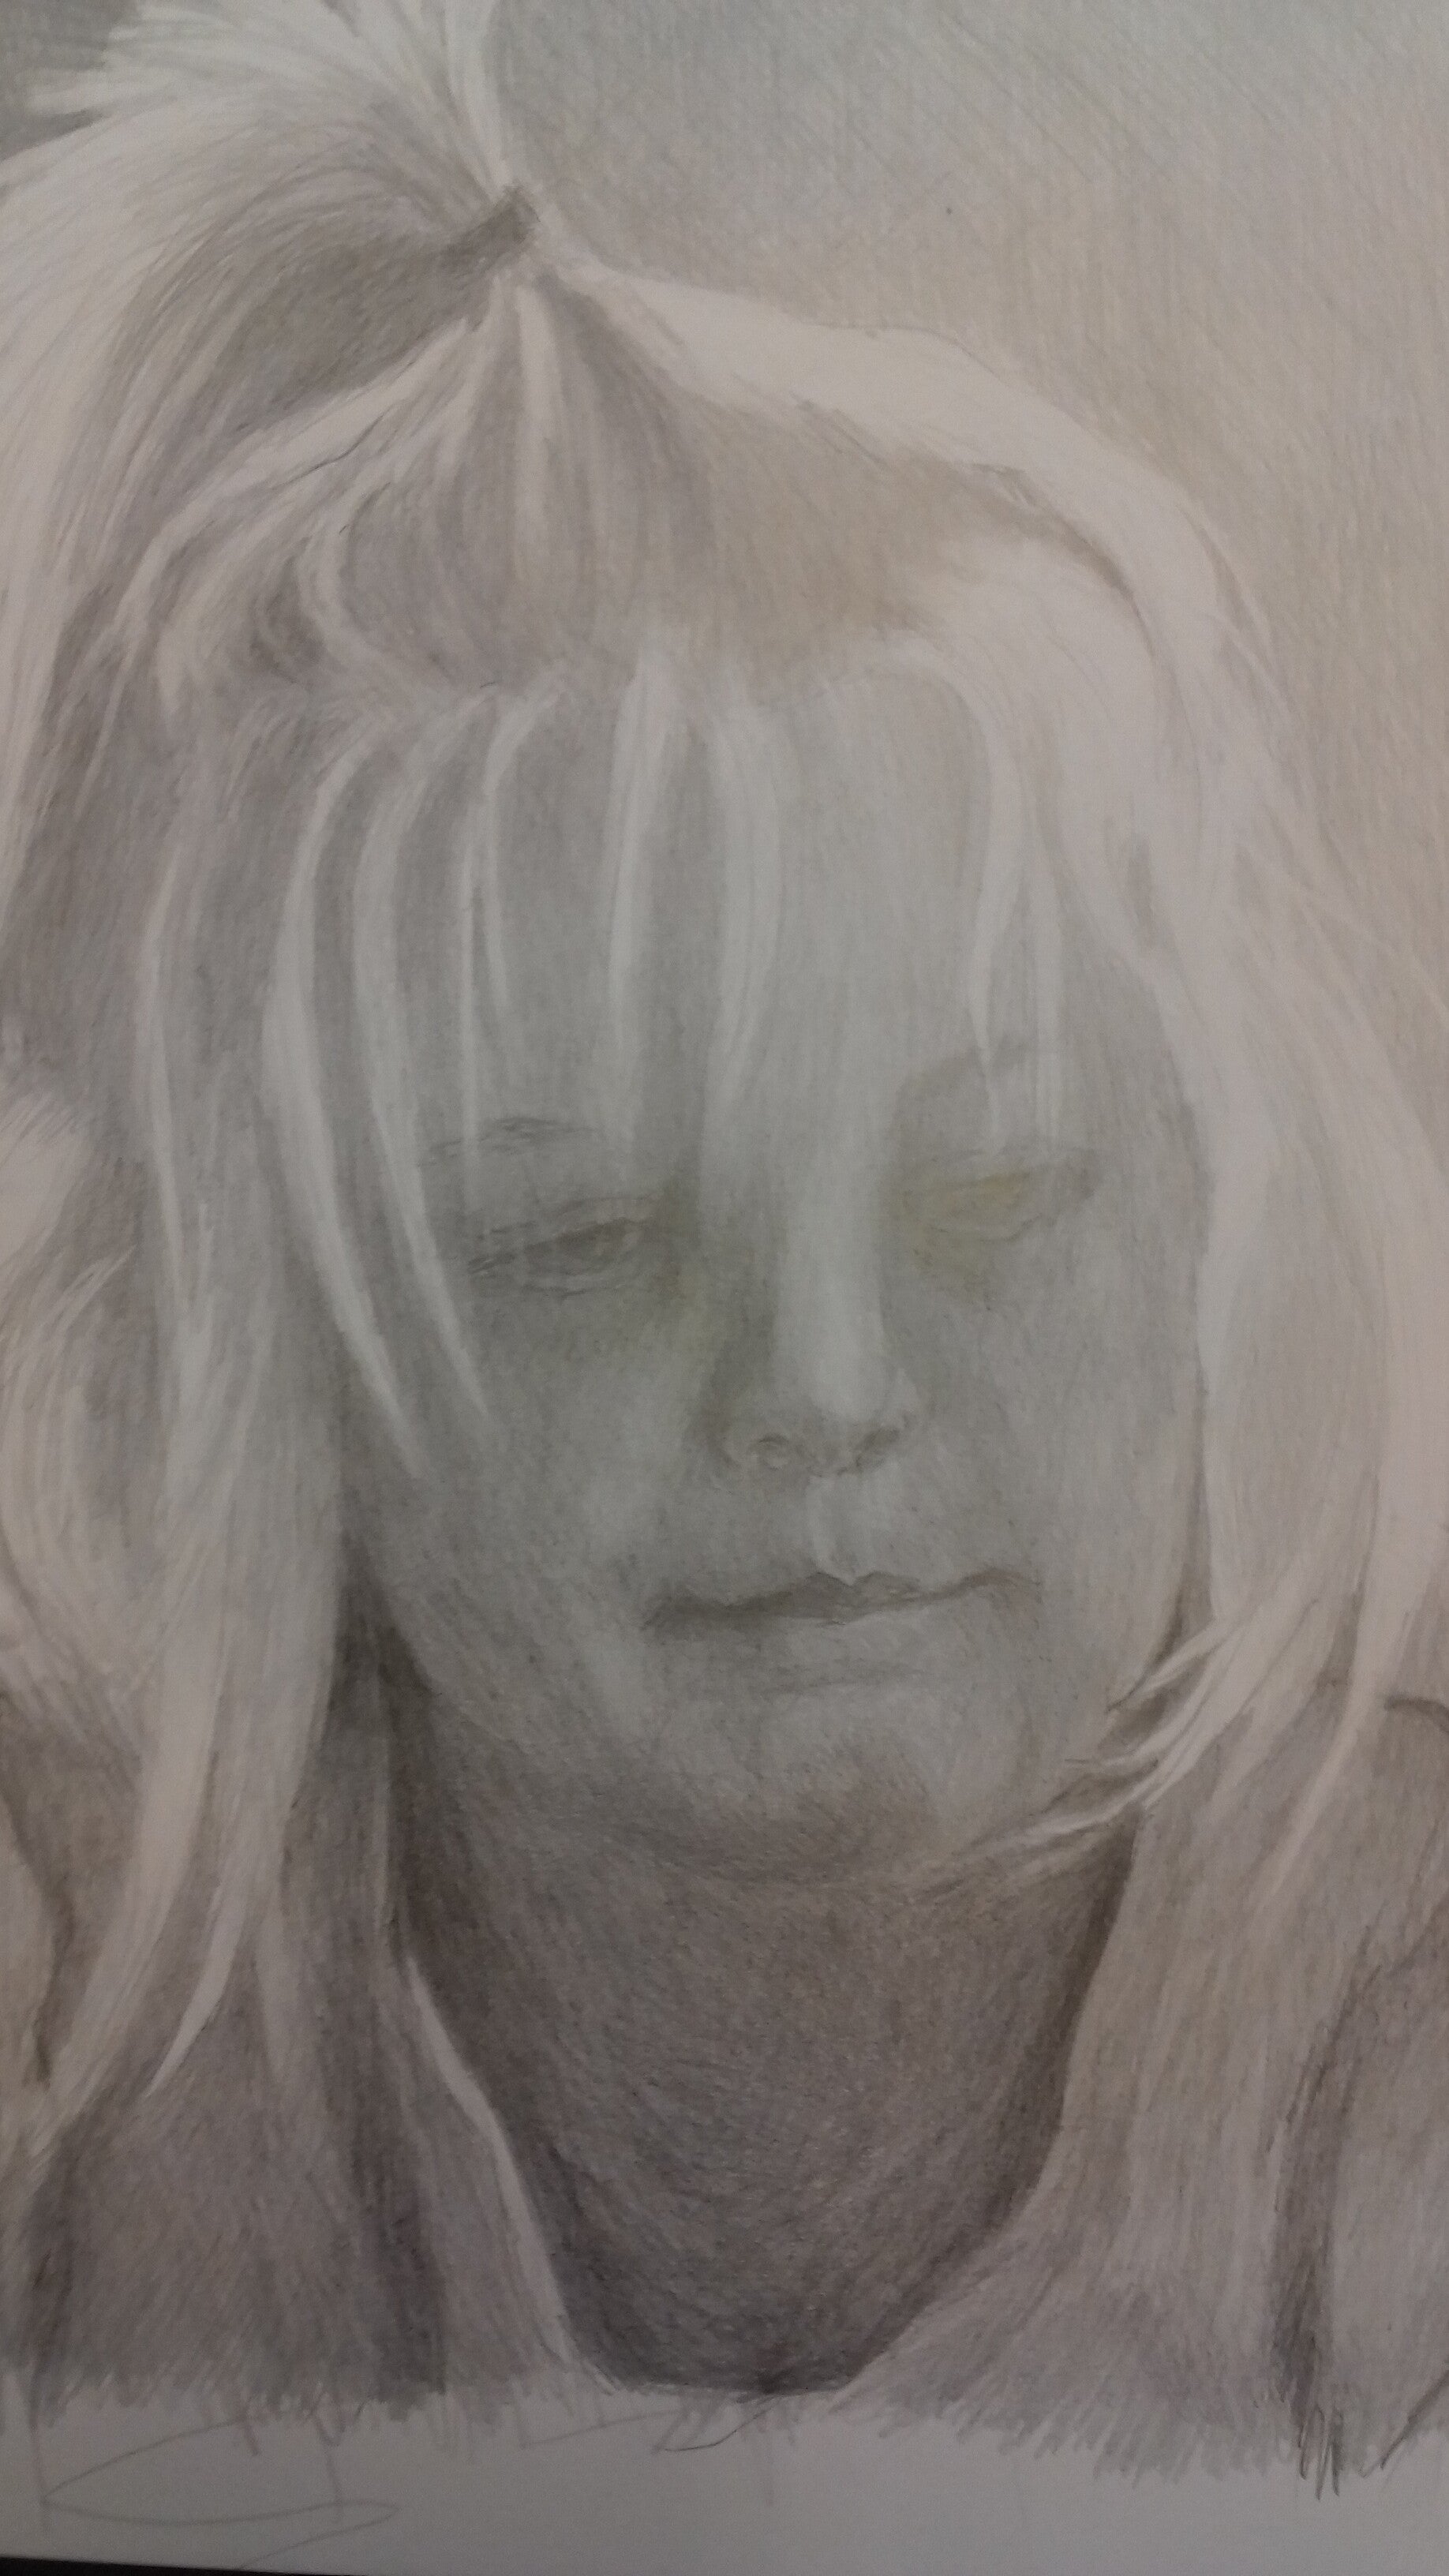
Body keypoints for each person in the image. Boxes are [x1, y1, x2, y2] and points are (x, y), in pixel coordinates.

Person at [1, 0, 1447, 2477]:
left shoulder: (1393, 2037)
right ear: (268, 1353)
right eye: (573, 1236)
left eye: (997, 1192)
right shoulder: (74, 2022)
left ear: (1222, 1234)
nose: (823, 1388)